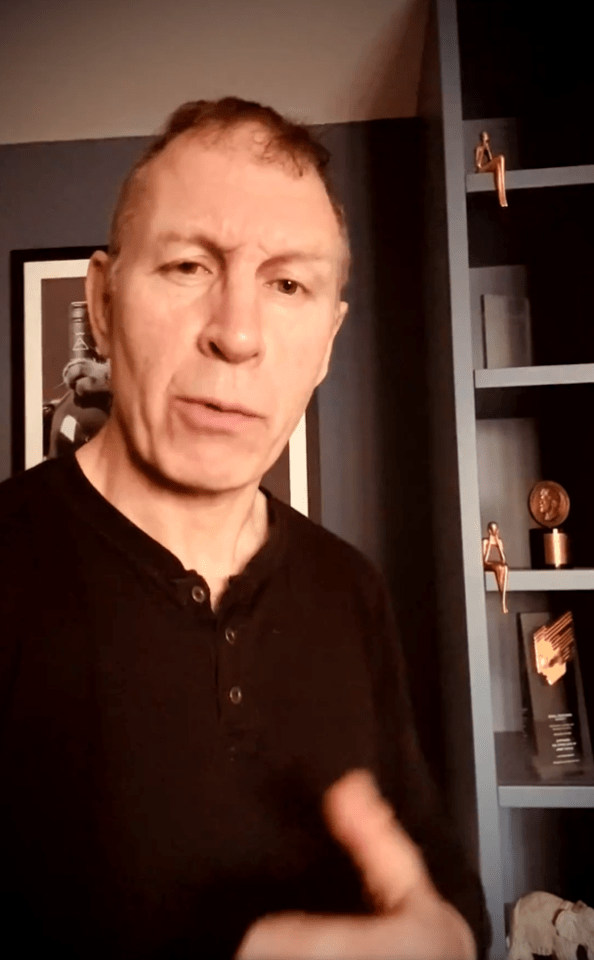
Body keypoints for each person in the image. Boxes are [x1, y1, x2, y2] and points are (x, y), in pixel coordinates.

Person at [0, 97, 489, 959]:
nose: (236, 333)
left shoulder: (351, 589)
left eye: (289, 284)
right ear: (103, 306)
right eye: (189, 266)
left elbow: (437, 878)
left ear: (329, 342)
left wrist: (446, 936)